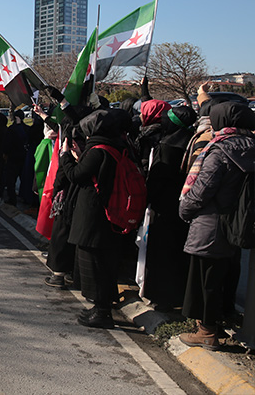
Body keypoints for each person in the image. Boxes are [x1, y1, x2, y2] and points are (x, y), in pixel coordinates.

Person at [178, 102, 255, 350]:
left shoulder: (220, 150)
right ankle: (219, 321)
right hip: (239, 223)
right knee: (225, 276)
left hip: (211, 224)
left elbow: (201, 190)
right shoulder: (251, 147)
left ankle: (207, 331)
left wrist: (184, 208)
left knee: (205, 280)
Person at [59, 109, 129, 328]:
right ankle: (101, 307)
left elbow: (76, 176)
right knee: (103, 263)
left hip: (94, 215)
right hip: (109, 214)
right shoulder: (117, 146)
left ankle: (102, 311)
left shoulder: (98, 151)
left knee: (95, 263)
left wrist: (65, 157)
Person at [139, 105, 197, 310]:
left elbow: (157, 180)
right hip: (183, 207)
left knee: (162, 253)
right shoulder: (190, 141)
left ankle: (162, 298)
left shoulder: (168, 146)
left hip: (164, 207)